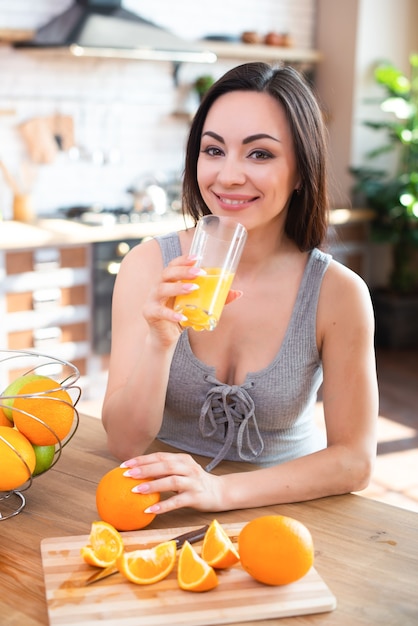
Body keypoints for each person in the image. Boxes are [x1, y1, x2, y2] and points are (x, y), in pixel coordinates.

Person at [102, 62, 378, 515]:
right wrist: (160, 340)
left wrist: (222, 491)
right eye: (214, 151)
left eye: (260, 154)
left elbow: (355, 461)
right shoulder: (148, 265)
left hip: (287, 512)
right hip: (164, 504)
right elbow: (123, 442)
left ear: (301, 171)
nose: (228, 176)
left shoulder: (338, 293)